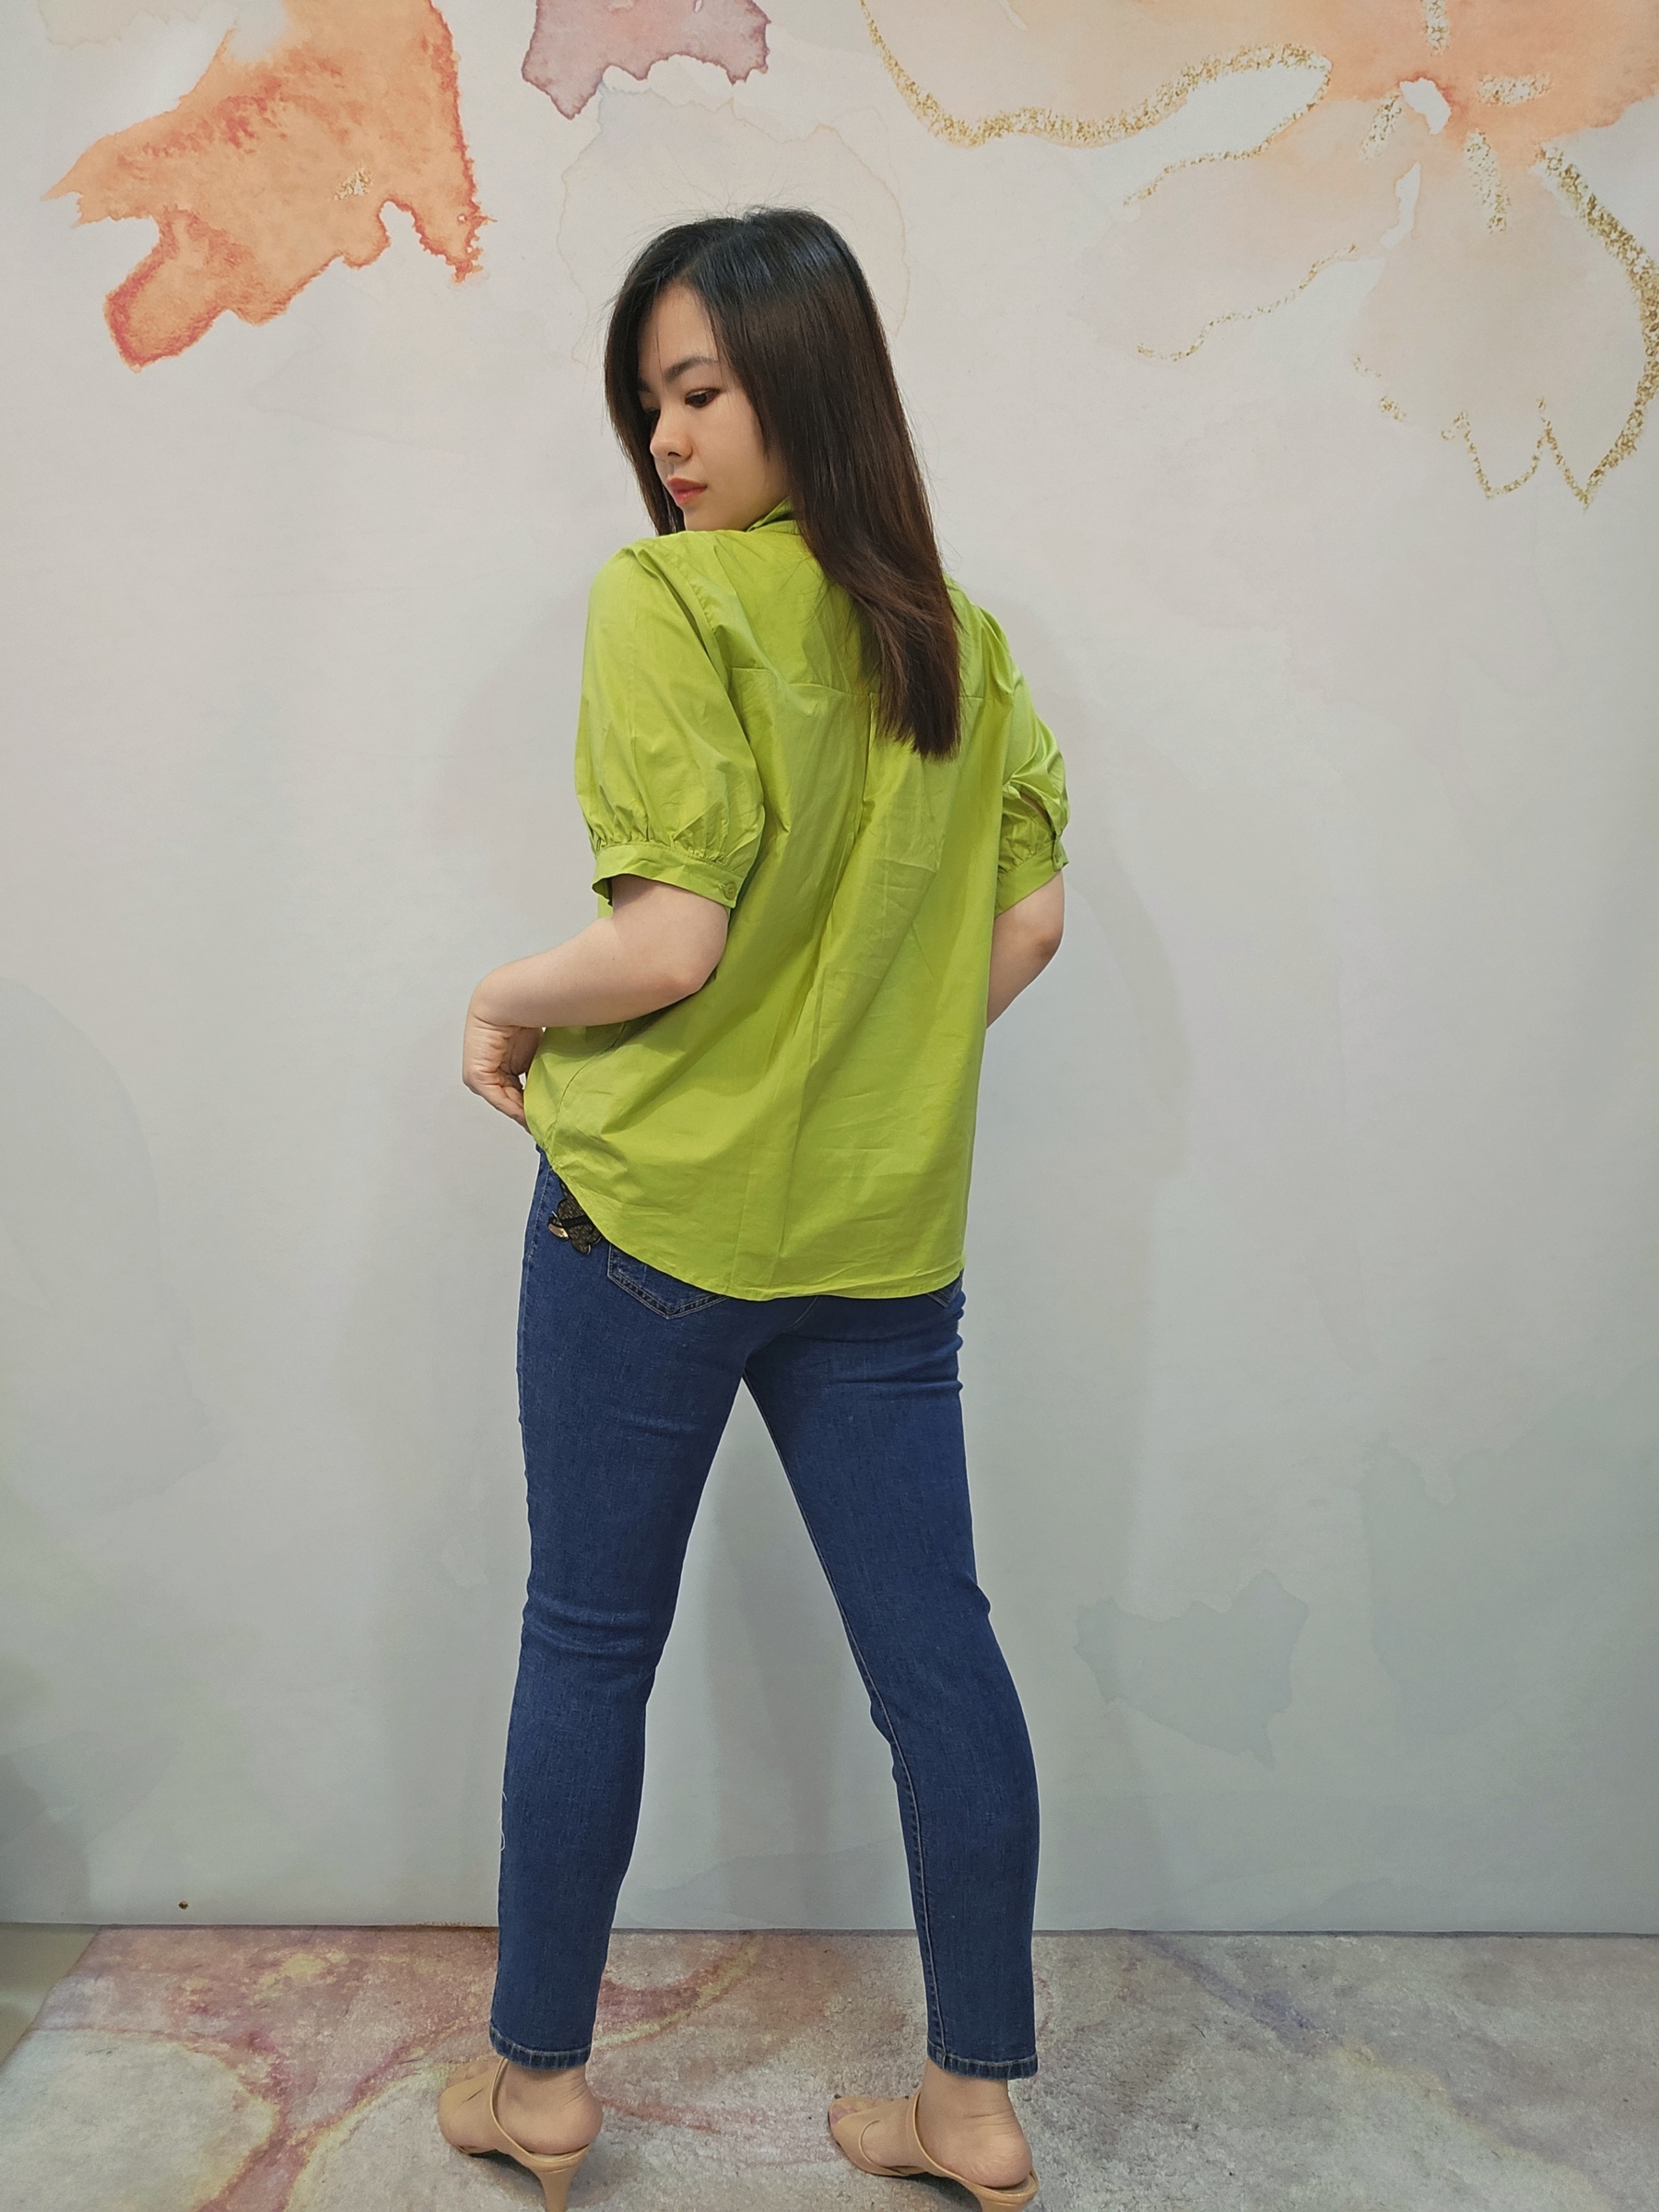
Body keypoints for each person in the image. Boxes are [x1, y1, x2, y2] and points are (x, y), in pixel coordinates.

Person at [437, 207, 1068, 2212]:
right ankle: (973, 2102)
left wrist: (499, 995)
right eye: (651, 403)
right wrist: (868, 1065)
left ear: (809, 379)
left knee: (585, 1643)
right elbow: (1029, 919)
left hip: (645, 1229)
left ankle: (539, 2086)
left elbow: (670, 943)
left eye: (701, 389)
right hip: (877, 1250)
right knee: (939, 1659)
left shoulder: (666, 597)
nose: (670, 439)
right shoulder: (956, 640)